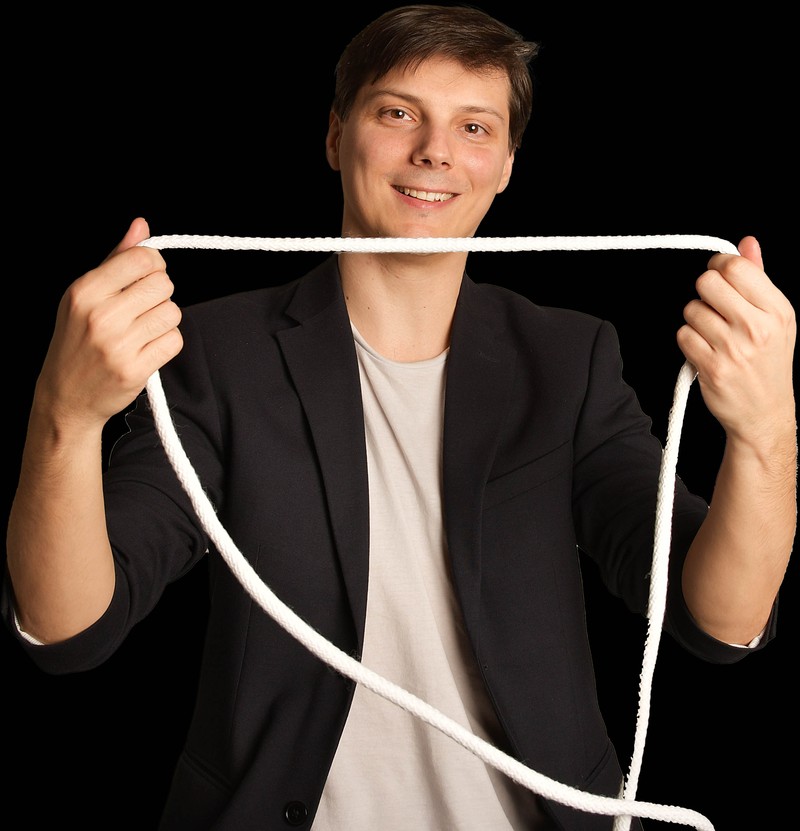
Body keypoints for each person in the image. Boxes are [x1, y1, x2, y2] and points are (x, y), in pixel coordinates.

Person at [3, 4, 796, 830]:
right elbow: (67, 628)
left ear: (507, 166)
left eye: (474, 127)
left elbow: (720, 620)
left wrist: (765, 429)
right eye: (398, 113)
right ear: (336, 136)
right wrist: (65, 414)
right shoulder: (217, 353)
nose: (435, 152)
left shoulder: (569, 359)